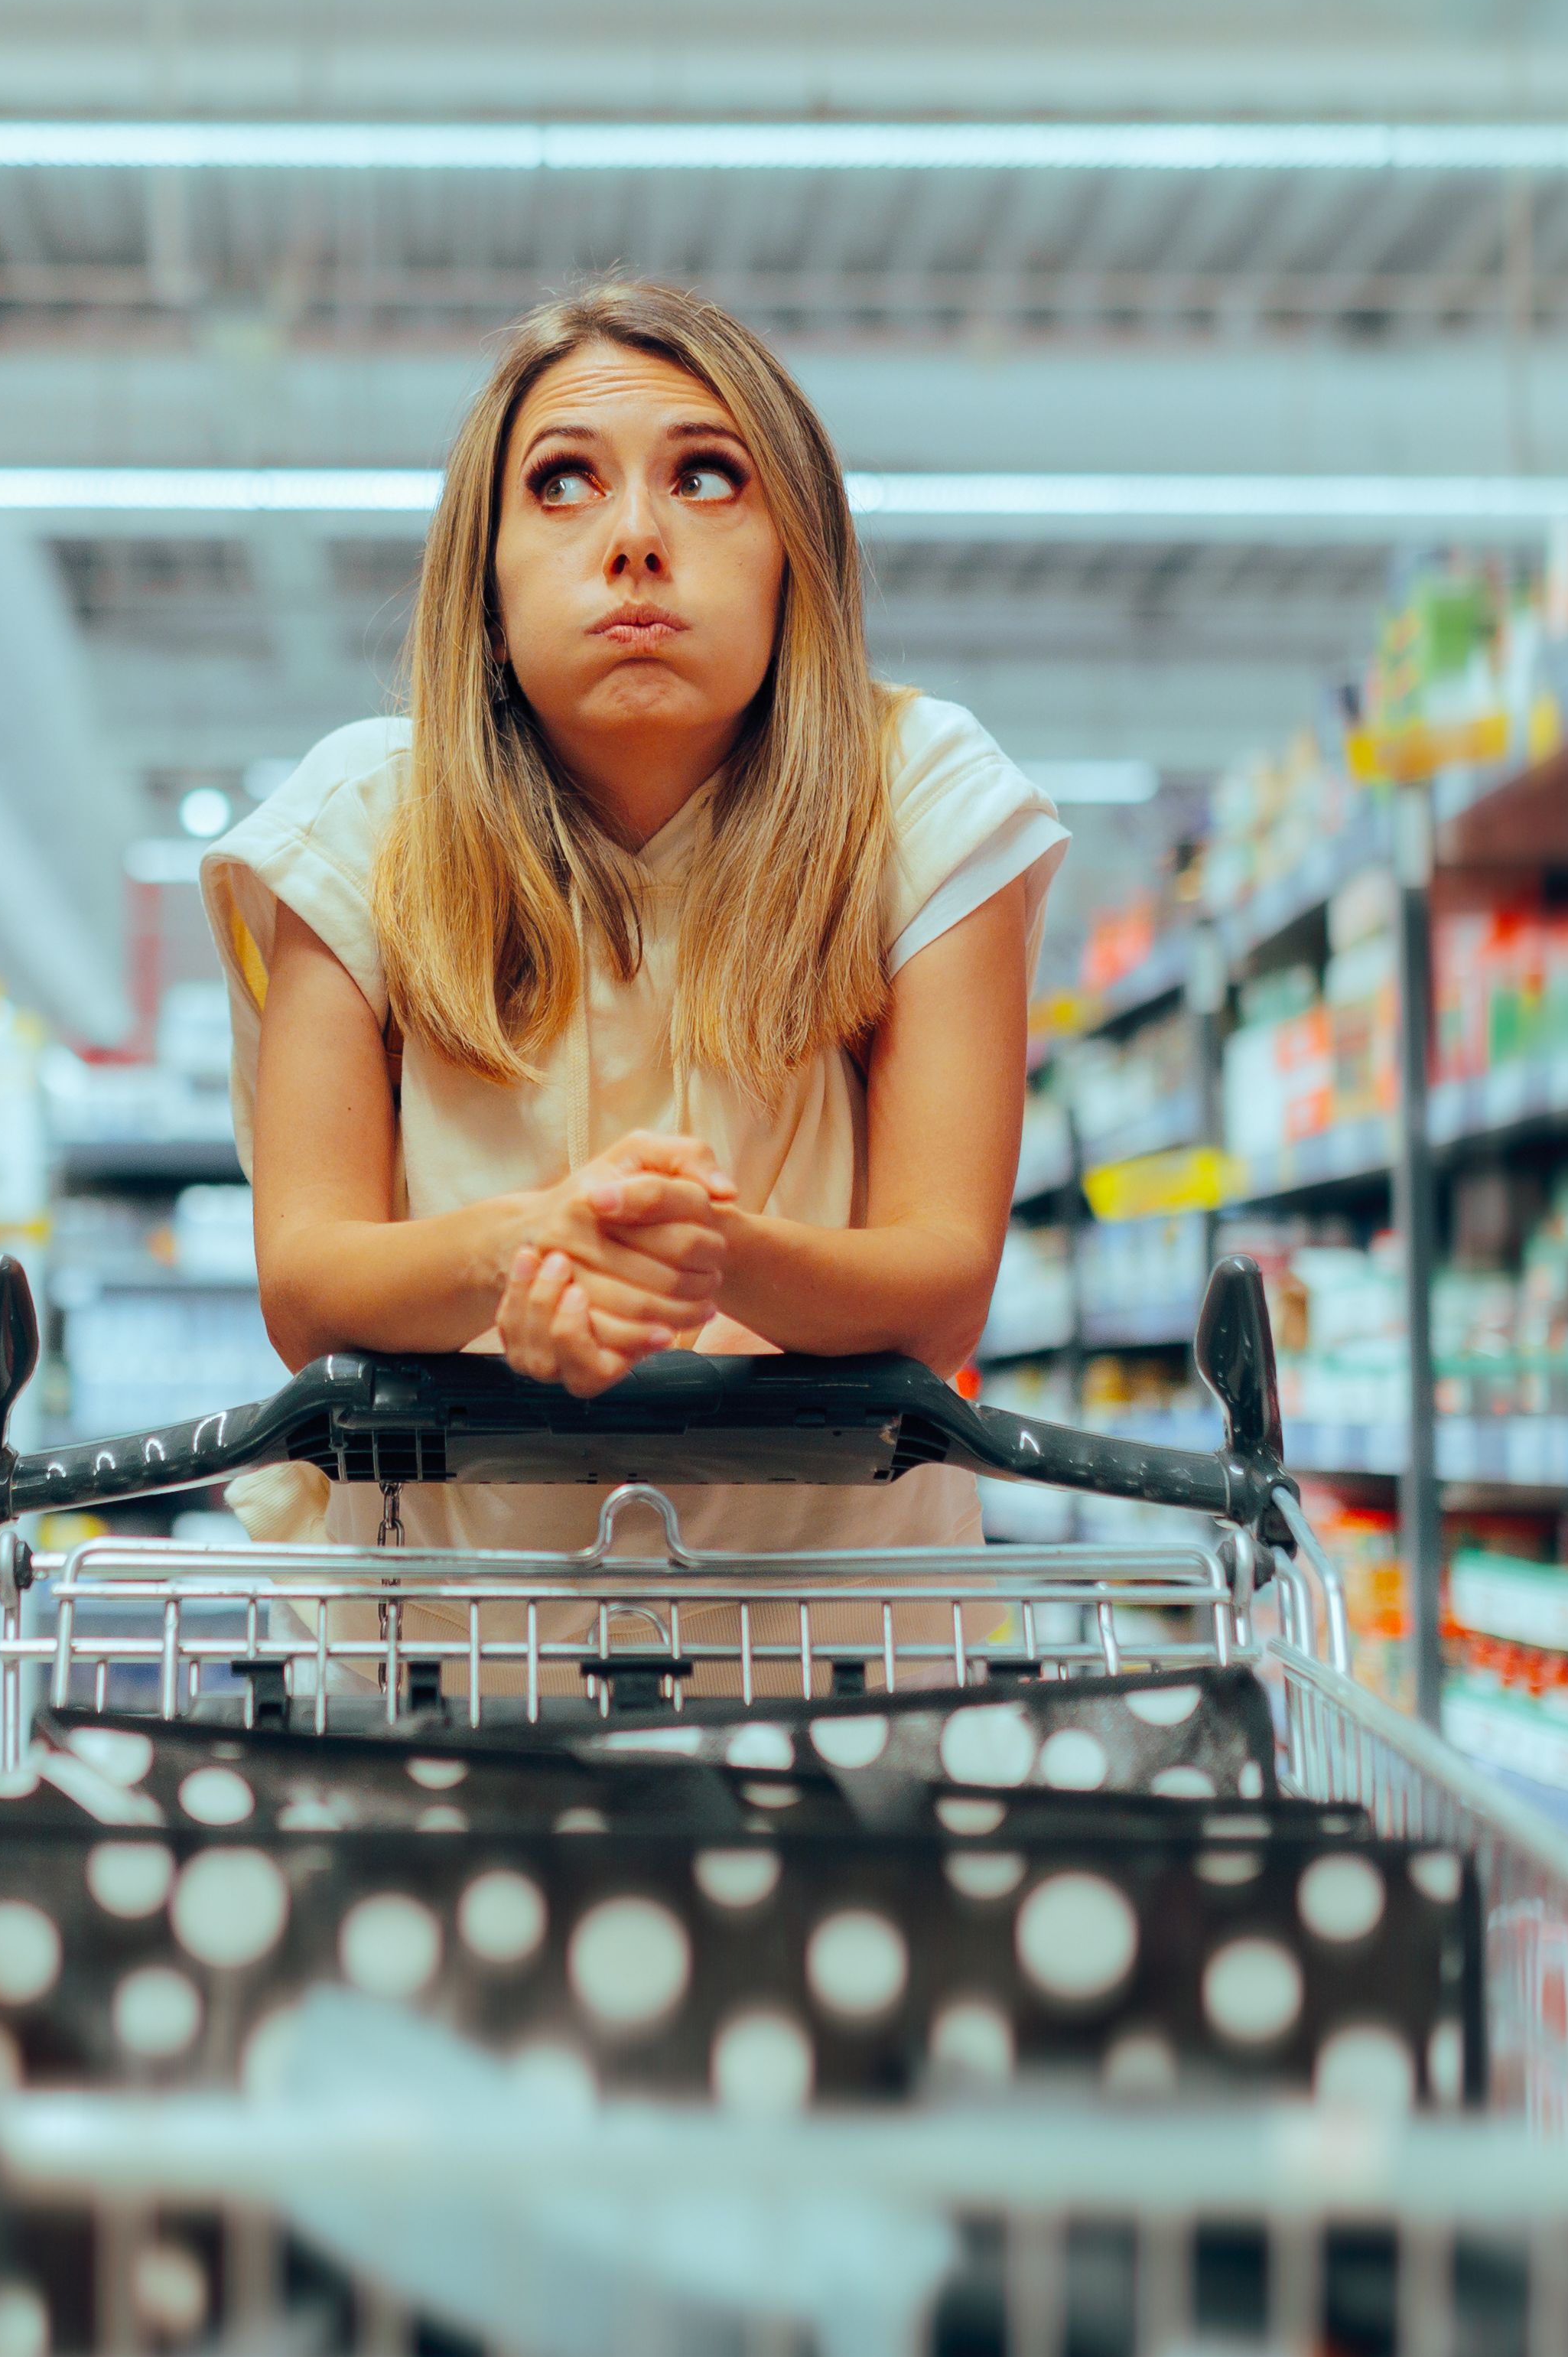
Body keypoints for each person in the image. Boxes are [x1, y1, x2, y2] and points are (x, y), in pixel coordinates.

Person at [198, 278, 1064, 1554]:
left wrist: (694, 1252)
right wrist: (526, 1248)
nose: (637, 538)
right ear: (486, 592)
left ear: (797, 565)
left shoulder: (923, 798)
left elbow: (938, 1289)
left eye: (707, 477)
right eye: (563, 483)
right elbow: (309, 1284)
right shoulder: (360, 821)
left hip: (838, 1635)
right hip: (445, 1627)